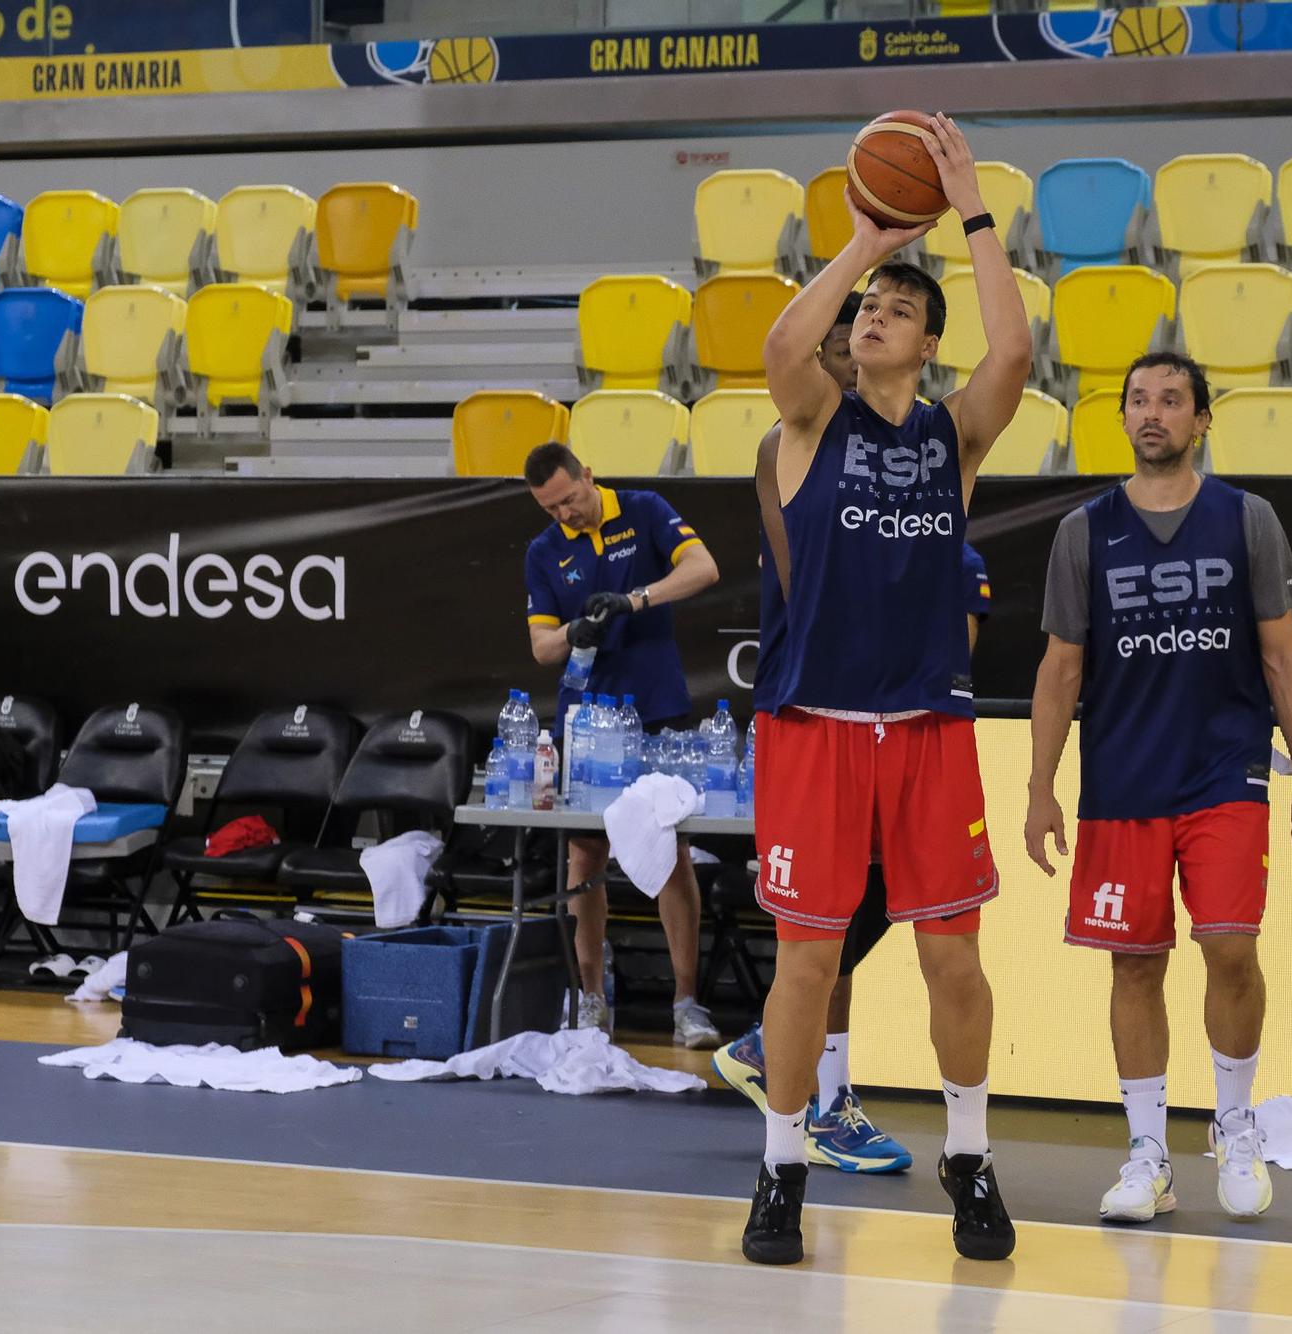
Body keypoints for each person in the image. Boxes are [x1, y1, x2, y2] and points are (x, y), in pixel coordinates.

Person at [740, 112, 1031, 1266]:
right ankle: (779, 1166)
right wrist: (861, 248)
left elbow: (1012, 353)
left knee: (951, 955)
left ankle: (967, 1152)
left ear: (927, 343)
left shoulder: (952, 435)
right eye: (866, 310)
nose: (871, 318)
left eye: (897, 309)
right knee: (805, 959)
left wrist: (968, 214)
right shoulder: (813, 419)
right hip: (813, 726)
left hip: (923, 727)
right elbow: (778, 344)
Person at [1023, 350, 1292, 1226]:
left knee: (1231, 946)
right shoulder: (1085, 530)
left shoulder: (1247, 519)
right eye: (1137, 399)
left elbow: (1284, 655)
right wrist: (1041, 787)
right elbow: (1059, 669)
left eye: (1170, 399)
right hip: (1121, 779)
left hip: (1224, 769)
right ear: (1122, 418)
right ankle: (1148, 1155)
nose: (1151, 411)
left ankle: (1235, 1126)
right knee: (1135, 961)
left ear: (1201, 421)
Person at [714, 297, 991, 1177]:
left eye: (865, 332)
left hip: (910, 718)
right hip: (821, 711)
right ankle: (811, 1104)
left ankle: (818, 1087)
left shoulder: (930, 458)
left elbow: (963, 619)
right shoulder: (792, 447)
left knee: (892, 931)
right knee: (823, 938)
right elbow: (820, 597)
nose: (847, 351)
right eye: (838, 341)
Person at [522, 442, 724, 1049]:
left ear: (589, 474)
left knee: (671, 857)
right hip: (588, 726)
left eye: (571, 499)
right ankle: (590, 1000)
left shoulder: (644, 508)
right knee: (583, 859)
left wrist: (636, 600)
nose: (566, 515)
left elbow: (704, 569)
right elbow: (540, 649)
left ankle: (686, 1003)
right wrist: (572, 631)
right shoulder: (543, 553)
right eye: (551, 509)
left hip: (657, 710)